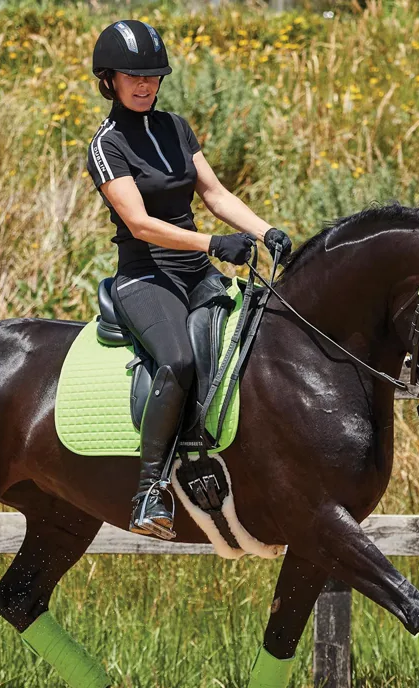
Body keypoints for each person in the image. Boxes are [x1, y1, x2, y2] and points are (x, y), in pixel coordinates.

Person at [86, 19, 292, 538]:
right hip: (145, 278)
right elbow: (140, 223)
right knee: (177, 360)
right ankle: (148, 492)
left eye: (153, 76)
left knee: (257, 340)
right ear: (108, 79)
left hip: (196, 273)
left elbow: (215, 195)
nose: (144, 85)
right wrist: (212, 244)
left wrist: (266, 232)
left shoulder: (175, 127)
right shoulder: (106, 144)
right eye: (133, 76)